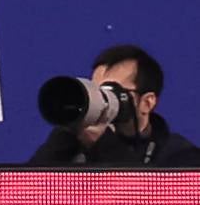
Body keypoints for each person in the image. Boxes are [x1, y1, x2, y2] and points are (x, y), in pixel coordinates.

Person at [28, 46, 200, 167]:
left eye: (112, 91)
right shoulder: (74, 142)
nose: (101, 99)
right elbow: (25, 192)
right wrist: (65, 135)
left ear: (147, 102)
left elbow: (150, 203)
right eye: (97, 90)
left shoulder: (179, 155)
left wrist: (103, 144)